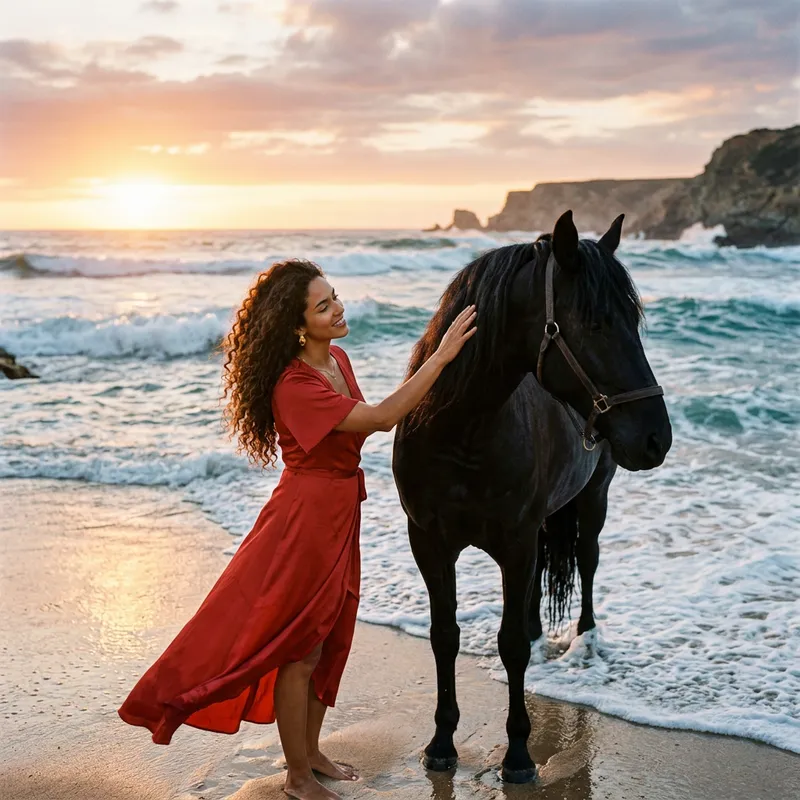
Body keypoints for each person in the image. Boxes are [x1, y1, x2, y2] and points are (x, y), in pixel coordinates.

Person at [118, 259, 477, 800]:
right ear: (296, 324)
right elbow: (379, 419)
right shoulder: (293, 384)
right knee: (300, 647)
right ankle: (296, 777)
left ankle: (311, 752)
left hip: (339, 511)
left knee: (332, 638)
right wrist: (443, 355)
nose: (338, 309)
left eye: (335, 296)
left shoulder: (337, 358)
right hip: (304, 520)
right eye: (323, 305)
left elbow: (363, 429)